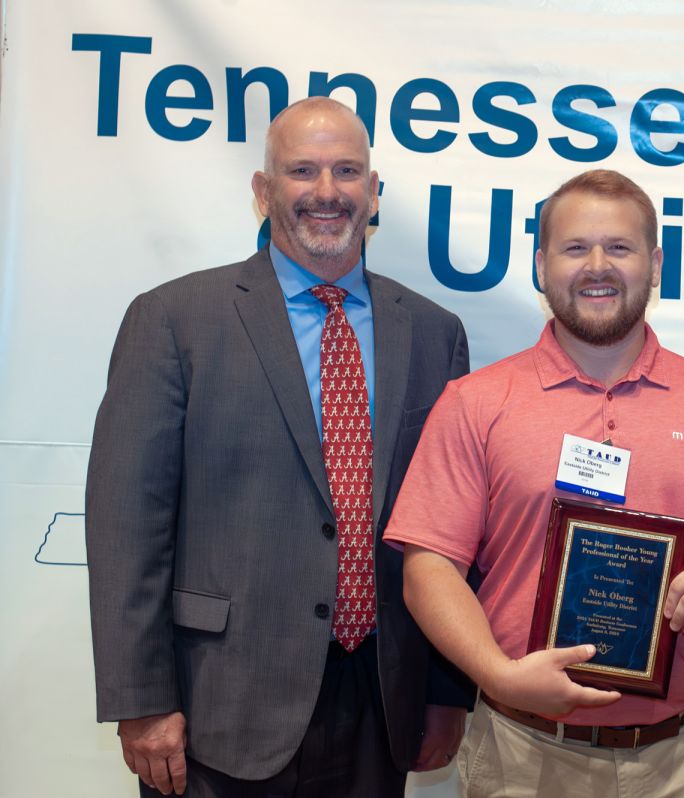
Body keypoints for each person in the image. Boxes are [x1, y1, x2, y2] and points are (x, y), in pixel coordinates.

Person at [86, 96, 472, 797]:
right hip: (219, 705)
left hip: (380, 701)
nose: (327, 191)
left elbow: (450, 531)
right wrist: (140, 699)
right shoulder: (174, 320)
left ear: (374, 192)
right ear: (264, 193)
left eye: (347, 171)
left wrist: (447, 693)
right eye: (303, 170)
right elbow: (126, 525)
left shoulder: (434, 333)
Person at [384, 169, 684, 797]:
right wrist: (498, 675)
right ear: (542, 264)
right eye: (576, 248)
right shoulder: (476, 402)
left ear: (656, 264)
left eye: (621, 248)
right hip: (524, 757)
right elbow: (429, 567)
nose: (597, 266)